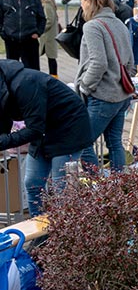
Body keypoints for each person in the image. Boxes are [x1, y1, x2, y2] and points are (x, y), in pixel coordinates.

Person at [0, 59, 93, 215]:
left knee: (61, 187)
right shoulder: (4, 84)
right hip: (44, 128)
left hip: (69, 128)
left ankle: (64, 232)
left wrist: (3, 141)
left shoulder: (25, 83)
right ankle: (40, 230)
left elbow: (34, 130)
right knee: (32, 183)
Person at [76, 0, 135, 173]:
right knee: (115, 144)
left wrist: (84, 87)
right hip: (122, 95)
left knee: (81, 143)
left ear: (89, 1)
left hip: (102, 97)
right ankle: (119, 188)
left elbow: (98, 63)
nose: (81, 4)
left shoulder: (93, 26)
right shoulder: (119, 23)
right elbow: (131, 65)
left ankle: (99, 190)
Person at [0, 0, 47, 71]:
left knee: (33, 70)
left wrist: (38, 33)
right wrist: (4, 34)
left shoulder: (34, 0)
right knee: (12, 70)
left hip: (30, 40)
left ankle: (33, 86)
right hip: (11, 41)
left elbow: (42, 18)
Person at [35, 0, 59, 77]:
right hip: (48, 36)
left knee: (51, 58)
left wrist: (40, 29)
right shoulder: (48, 3)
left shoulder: (47, 5)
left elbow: (49, 20)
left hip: (48, 37)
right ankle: (53, 76)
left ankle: (54, 76)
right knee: (50, 58)